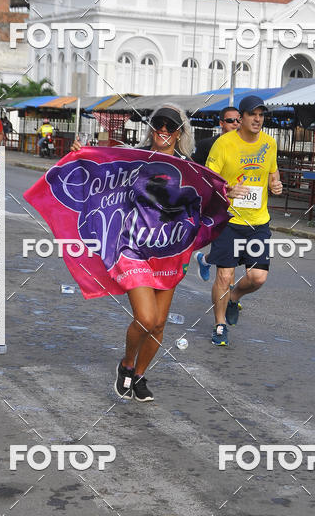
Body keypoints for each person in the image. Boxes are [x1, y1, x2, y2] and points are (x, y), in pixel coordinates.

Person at [71, 104, 195, 403]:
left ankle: (138, 375)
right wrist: (80, 155)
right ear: (151, 128)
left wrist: (228, 194)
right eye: (158, 124)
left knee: (160, 323)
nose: (163, 130)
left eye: (170, 126)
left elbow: (206, 198)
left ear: (179, 133)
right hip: (133, 249)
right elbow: (100, 173)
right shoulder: (132, 158)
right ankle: (126, 364)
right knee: (146, 317)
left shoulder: (190, 168)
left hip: (170, 250)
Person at [205, 94, 282, 347]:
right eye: (253, 114)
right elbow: (209, 180)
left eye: (261, 115)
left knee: (258, 277)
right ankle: (219, 325)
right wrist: (227, 190)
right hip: (228, 220)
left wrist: (276, 183)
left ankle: (234, 298)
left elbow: (272, 172)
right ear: (242, 118)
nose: (258, 119)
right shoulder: (224, 144)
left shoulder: (269, 144)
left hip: (257, 222)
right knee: (224, 276)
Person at [193, 107, 241, 281]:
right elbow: (196, 170)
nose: (235, 124)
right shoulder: (207, 145)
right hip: (214, 201)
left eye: (238, 120)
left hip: (241, 202)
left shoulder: (247, 145)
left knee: (230, 250)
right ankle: (228, 297)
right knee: (227, 248)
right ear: (221, 123)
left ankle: (205, 260)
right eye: (230, 121)